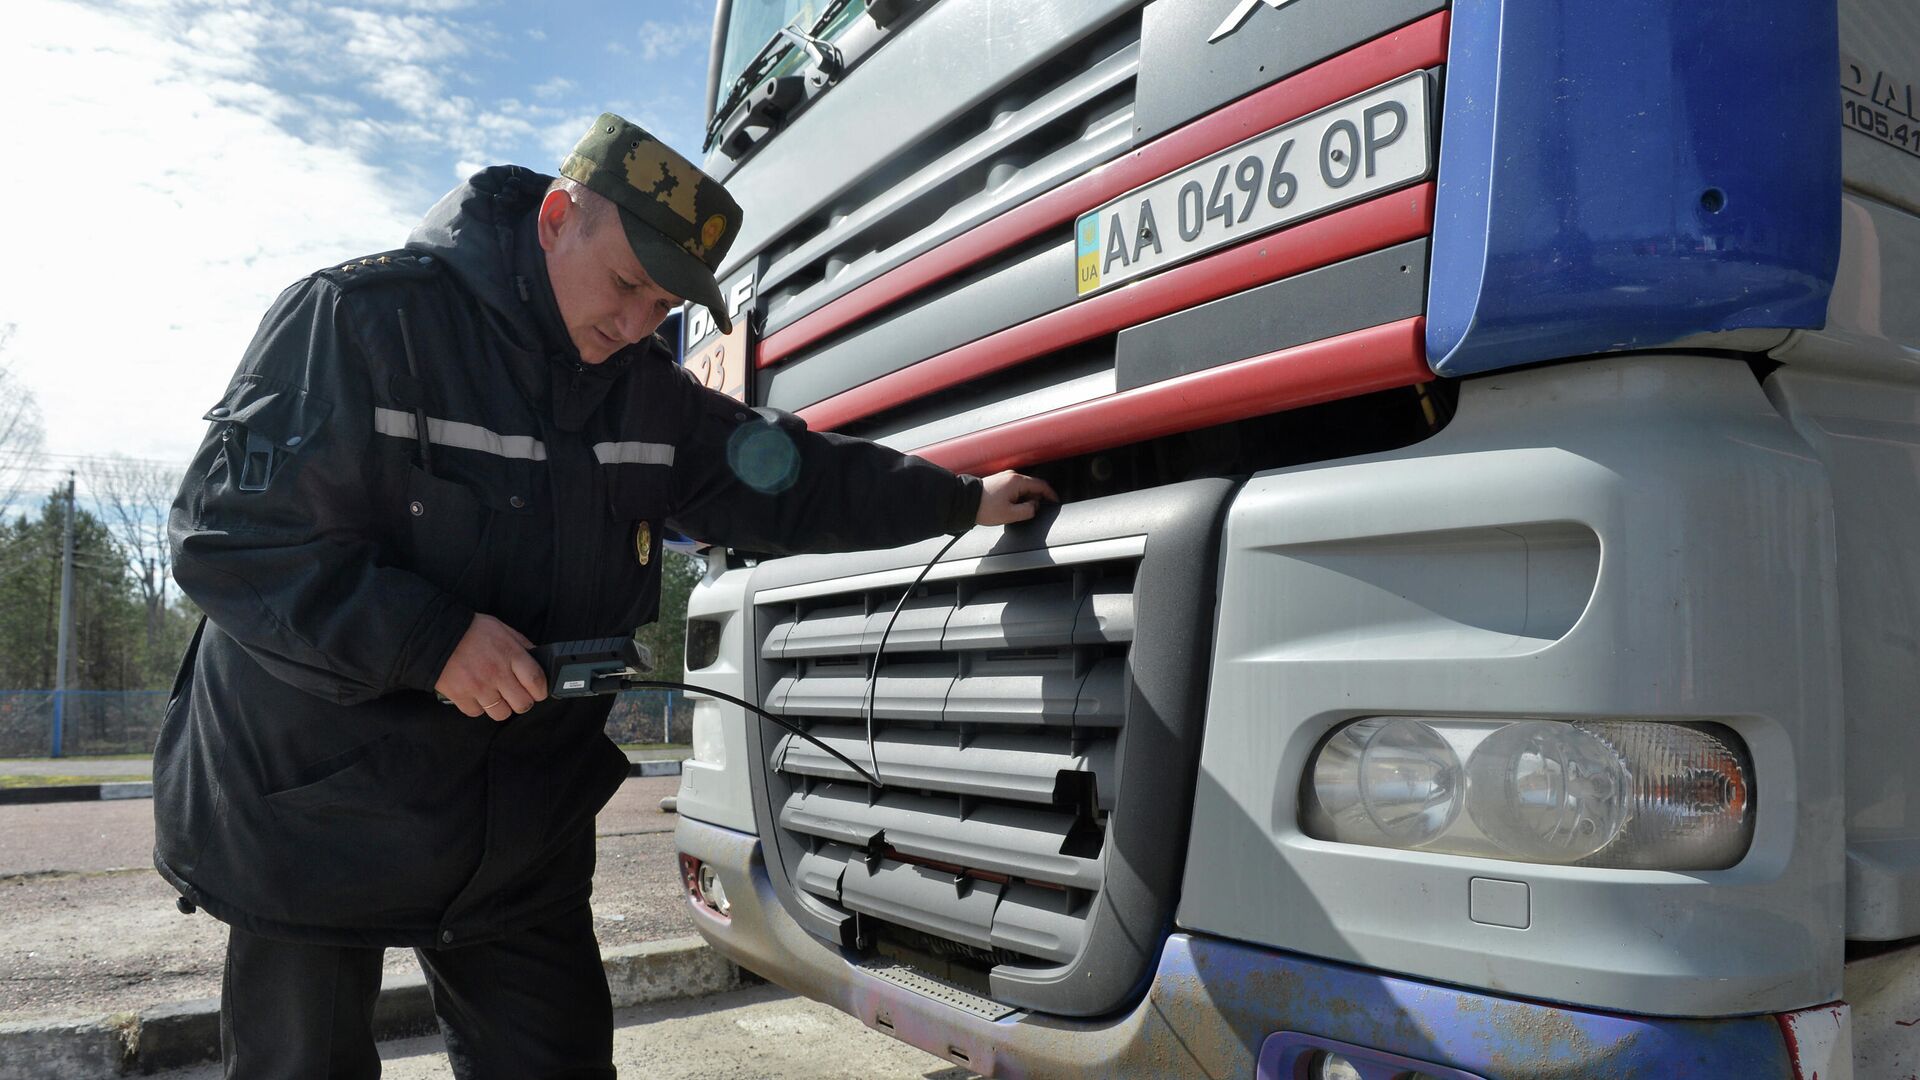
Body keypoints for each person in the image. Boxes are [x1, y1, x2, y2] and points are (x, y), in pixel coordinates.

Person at [154, 112, 1057, 1079]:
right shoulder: (362, 323)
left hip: (512, 827)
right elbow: (230, 539)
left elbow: (792, 474)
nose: (634, 324)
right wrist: (432, 640)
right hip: (312, 806)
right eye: (626, 283)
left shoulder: (643, 394)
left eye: (663, 306)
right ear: (555, 216)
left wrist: (961, 499)